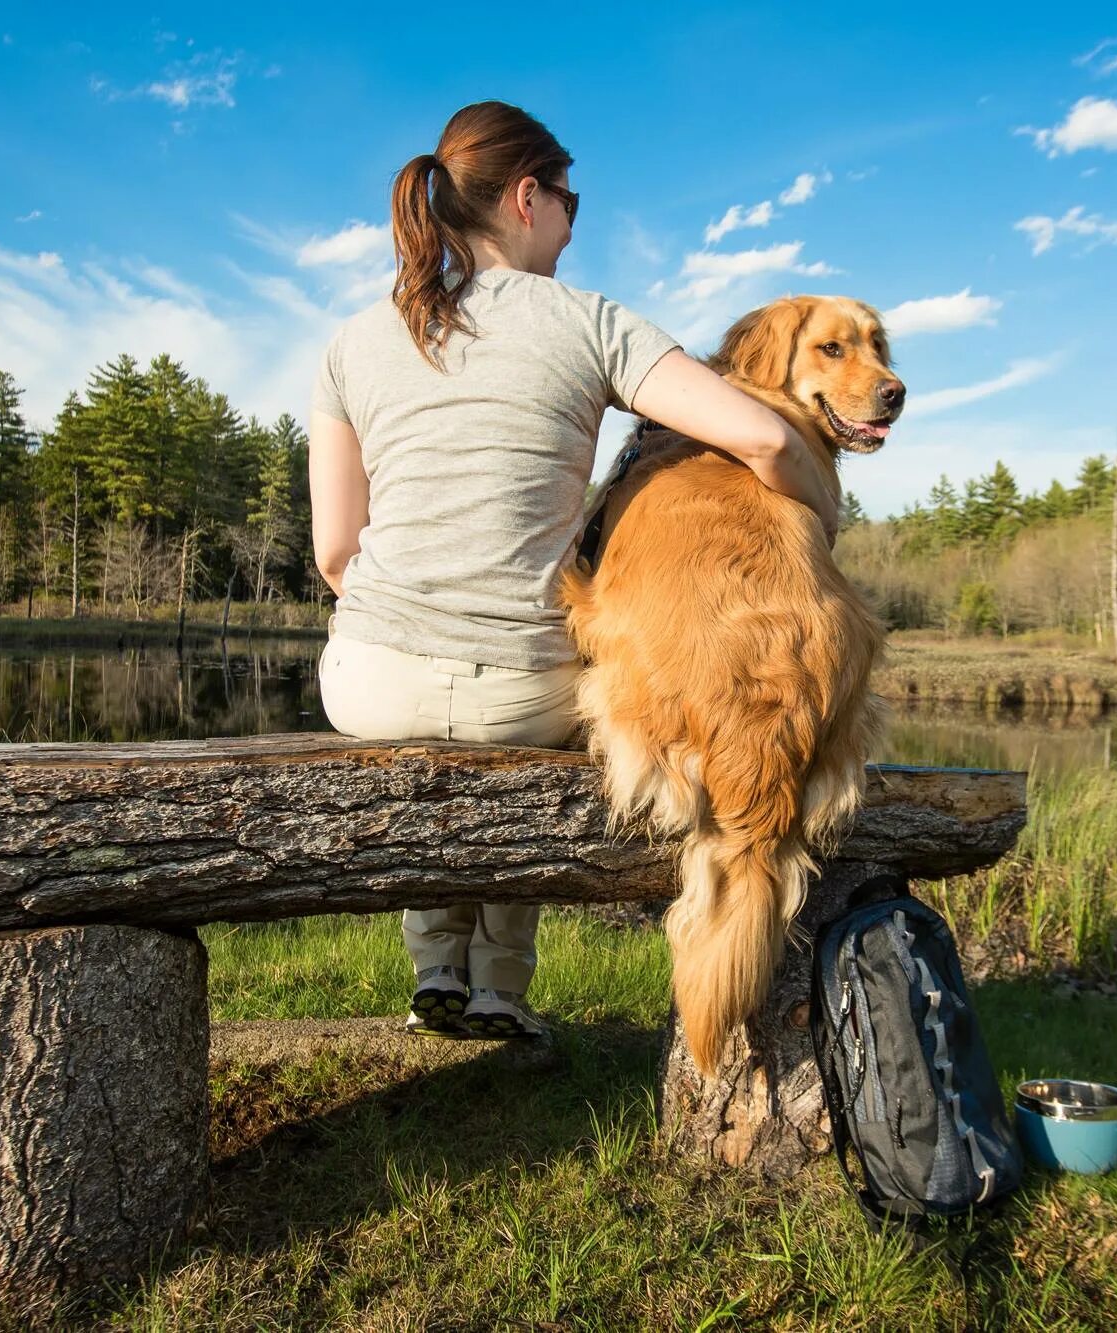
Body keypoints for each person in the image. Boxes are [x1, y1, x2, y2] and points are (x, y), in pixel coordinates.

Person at [309, 101, 837, 1039]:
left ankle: (434, 964)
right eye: (569, 200)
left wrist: (415, 623)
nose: (571, 219)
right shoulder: (591, 322)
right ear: (526, 198)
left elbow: (335, 552)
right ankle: (498, 991)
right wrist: (817, 520)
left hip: (367, 679)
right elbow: (761, 434)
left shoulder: (352, 341)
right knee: (550, 709)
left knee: (443, 731)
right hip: (523, 686)